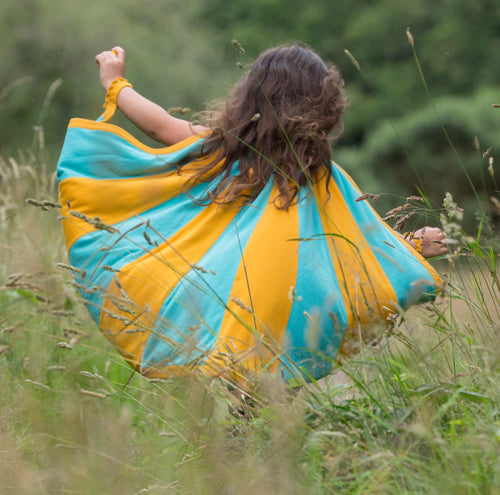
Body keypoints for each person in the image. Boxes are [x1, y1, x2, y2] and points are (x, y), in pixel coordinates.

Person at [57, 43, 446, 386]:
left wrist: (116, 83)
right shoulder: (319, 173)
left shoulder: (227, 147)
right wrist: (410, 245)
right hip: (292, 308)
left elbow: (160, 125)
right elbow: (359, 241)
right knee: (269, 386)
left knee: (241, 376)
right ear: (325, 105)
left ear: (251, 99)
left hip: (231, 304)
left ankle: (241, 438)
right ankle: (253, 436)